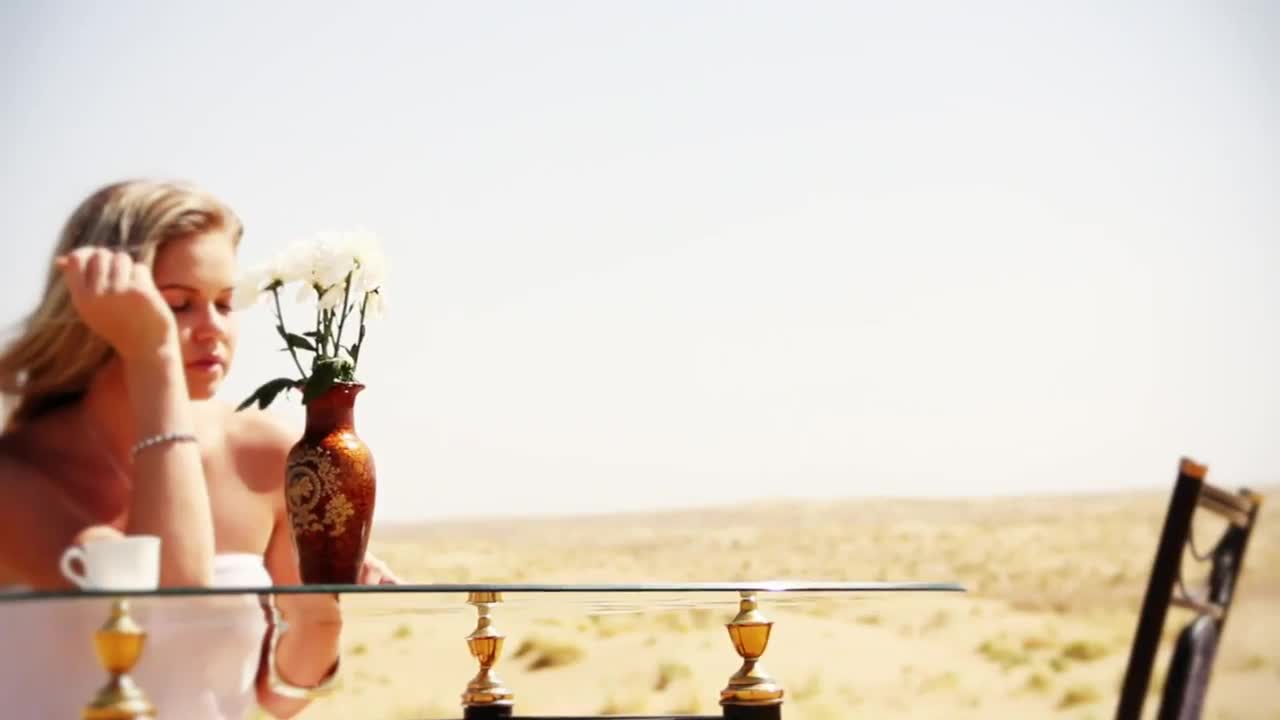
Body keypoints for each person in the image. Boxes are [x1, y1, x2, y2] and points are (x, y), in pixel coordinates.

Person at [0, 179, 399, 718]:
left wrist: (320, 614)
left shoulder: (268, 453)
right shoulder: (16, 473)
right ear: (96, 309)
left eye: (225, 303)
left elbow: (280, 698)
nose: (212, 329)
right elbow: (173, 600)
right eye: (178, 305)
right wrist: (153, 356)